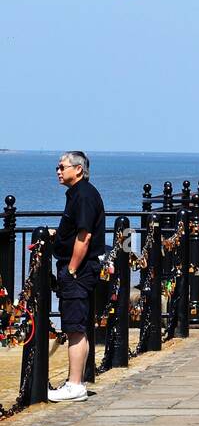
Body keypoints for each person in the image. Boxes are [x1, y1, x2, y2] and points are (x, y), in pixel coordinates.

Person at [47, 151, 106, 403]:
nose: (58, 171)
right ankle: (76, 381)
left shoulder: (83, 195)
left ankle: (75, 385)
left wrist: (71, 269)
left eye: (62, 167)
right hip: (81, 268)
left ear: (78, 169)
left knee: (74, 328)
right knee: (77, 327)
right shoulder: (79, 194)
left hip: (79, 271)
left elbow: (85, 237)